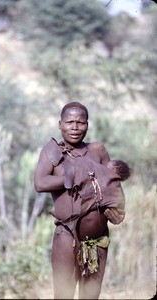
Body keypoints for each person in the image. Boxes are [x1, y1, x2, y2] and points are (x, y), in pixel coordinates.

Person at [34, 102, 127, 299]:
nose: (75, 127)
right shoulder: (52, 153)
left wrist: (118, 210)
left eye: (80, 122)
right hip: (66, 235)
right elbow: (40, 183)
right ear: (60, 124)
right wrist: (71, 178)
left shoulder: (98, 150)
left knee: (91, 295)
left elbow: (113, 182)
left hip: (99, 238)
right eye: (69, 122)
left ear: (87, 125)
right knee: (64, 294)